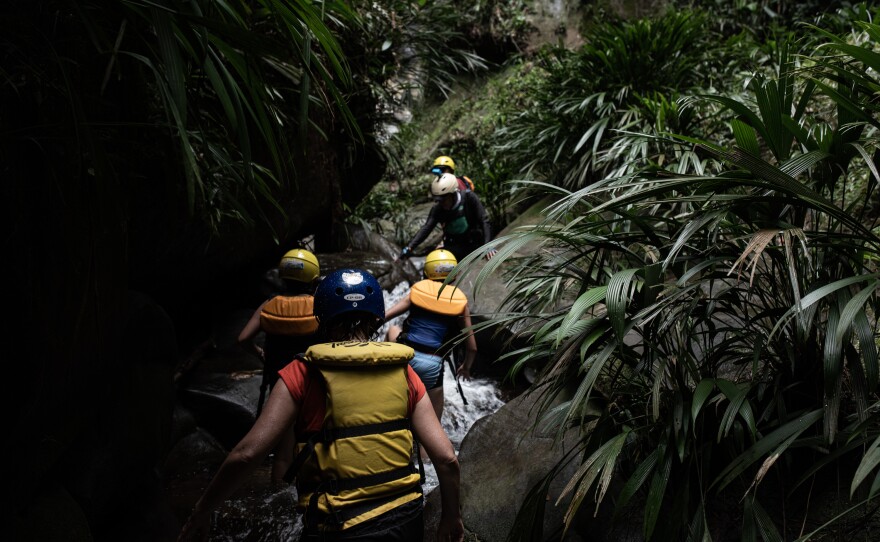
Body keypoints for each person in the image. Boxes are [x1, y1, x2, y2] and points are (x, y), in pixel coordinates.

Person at [178, 268, 464, 542]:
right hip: (406, 521)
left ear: (322, 316)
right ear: (377, 318)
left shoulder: (301, 373)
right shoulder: (404, 372)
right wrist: (450, 518)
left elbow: (246, 455)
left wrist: (203, 510)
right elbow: (447, 459)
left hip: (339, 528)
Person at [237, 248, 321, 485]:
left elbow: (243, 339)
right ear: (314, 279)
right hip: (313, 383)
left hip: (281, 386)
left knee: (284, 451)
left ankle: (280, 499)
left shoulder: (269, 304)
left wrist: (260, 353)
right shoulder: (319, 306)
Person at [385, 249, 478, 424]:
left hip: (404, 357)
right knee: (433, 426)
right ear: (455, 276)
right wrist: (465, 367)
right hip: (432, 366)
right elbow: (472, 347)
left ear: (426, 273)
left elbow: (385, 316)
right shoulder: (460, 302)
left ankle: (384, 371)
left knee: (392, 329)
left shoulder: (416, 291)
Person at [400, 173, 497, 262]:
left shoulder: (469, 198)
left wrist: (488, 245)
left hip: (474, 242)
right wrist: (410, 247)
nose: (441, 203)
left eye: (444, 199)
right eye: (439, 200)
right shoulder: (438, 209)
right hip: (454, 246)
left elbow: (484, 220)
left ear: (453, 194)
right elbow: (426, 229)